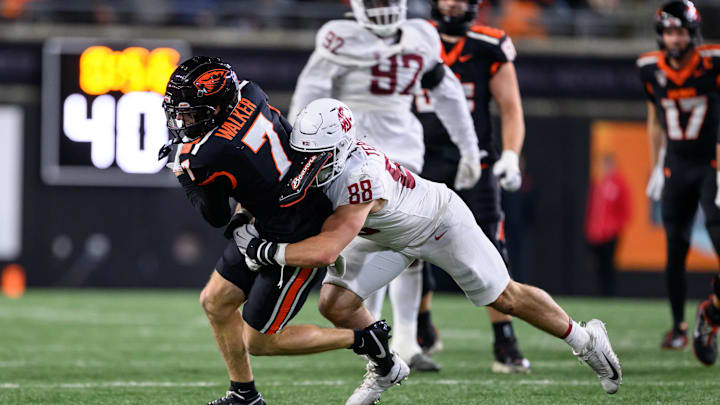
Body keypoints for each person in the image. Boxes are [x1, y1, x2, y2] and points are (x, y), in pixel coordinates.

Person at [235, 98, 622, 402]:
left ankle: (585, 341)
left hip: (438, 223)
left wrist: (266, 250)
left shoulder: (360, 178)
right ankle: (385, 367)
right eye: (305, 153)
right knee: (335, 304)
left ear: (341, 147)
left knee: (506, 297)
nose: (308, 163)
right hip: (385, 237)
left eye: (318, 155)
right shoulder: (318, 155)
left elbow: (326, 249)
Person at [160, 56, 406, 405]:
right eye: (181, 112)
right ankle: (244, 395)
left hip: (294, 230)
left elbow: (214, 216)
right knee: (215, 302)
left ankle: (364, 338)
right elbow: (270, 157)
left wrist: (187, 180)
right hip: (271, 213)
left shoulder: (208, 154)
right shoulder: (250, 93)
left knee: (259, 342)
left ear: (217, 107)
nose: (183, 121)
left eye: (193, 113)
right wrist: (247, 210)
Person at [288, 0, 483, 371]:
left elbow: (448, 93)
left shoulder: (420, 35)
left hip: (402, 146)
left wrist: (471, 149)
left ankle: (406, 340)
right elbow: (308, 96)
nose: (383, 8)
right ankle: (376, 336)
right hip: (351, 148)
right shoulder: (338, 37)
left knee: (409, 242)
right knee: (367, 242)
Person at [413, 0, 530, 373]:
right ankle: (418, 328)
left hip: (473, 160)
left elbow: (511, 107)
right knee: (406, 243)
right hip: (419, 158)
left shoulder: (488, 44)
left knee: (490, 248)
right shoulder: (413, 38)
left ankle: (504, 339)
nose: (452, 3)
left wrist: (510, 154)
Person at [638, 0, 720, 361]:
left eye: (681, 31)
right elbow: (655, 118)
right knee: (675, 249)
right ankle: (679, 326)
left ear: (692, 32)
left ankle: (711, 312)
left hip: (711, 163)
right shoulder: (648, 68)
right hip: (675, 165)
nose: (675, 38)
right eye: (669, 31)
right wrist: (656, 163)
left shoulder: (713, 62)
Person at [584, 154, 632, 297]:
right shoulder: (598, 183)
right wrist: (590, 230)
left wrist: (615, 227)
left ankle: (609, 294)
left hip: (610, 234)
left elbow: (626, 210)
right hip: (597, 235)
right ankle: (600, 293)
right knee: (598, 266)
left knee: (609, 265)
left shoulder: (619, 183)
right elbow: (593, 210)